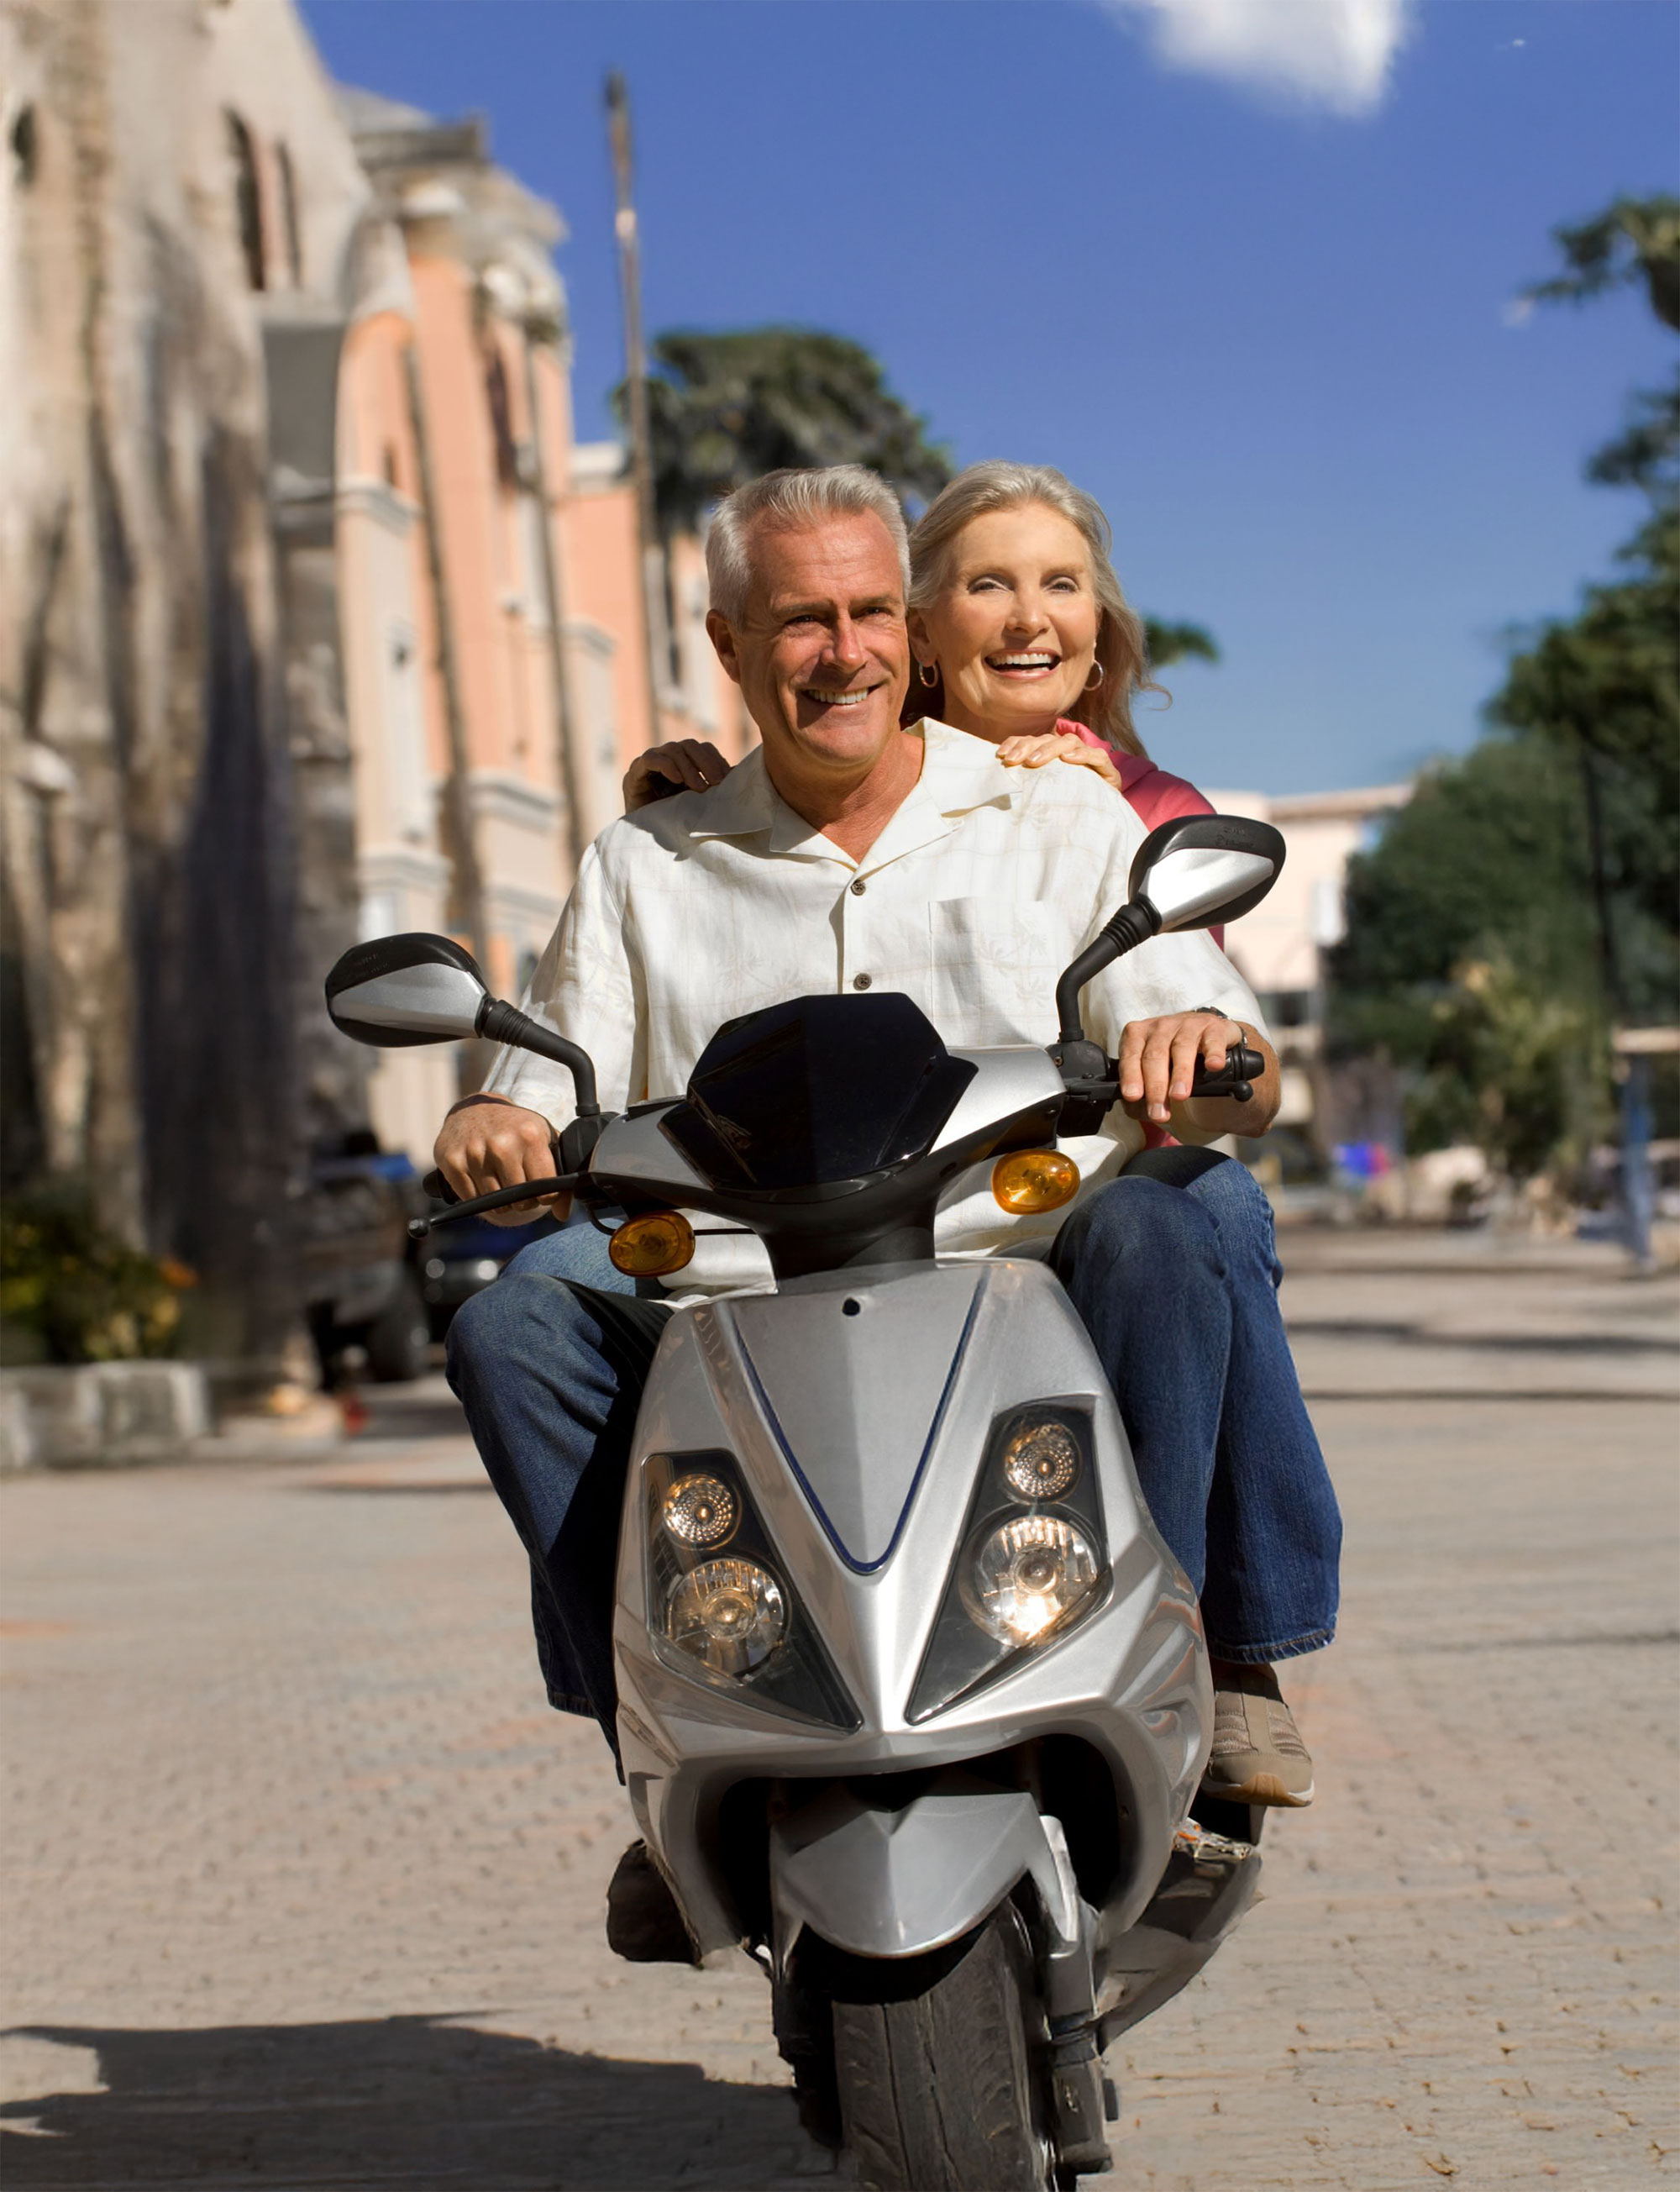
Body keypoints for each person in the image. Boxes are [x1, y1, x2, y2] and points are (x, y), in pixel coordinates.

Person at [438, 468, 1339, 1877]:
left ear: (910, 639)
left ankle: (1172, 1647)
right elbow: (538, 1090)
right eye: (800, 620)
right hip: (736, 1300)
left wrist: (1203, 1035)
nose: (842, 649)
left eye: (869, 611)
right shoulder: (643, 864)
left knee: (1191, 1208)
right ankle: (663, 1719)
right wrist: (490, 1125)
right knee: (515, 1315)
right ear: (729, 646)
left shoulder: (1066, 816)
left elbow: (1244, 1075)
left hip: (1018, 1272)